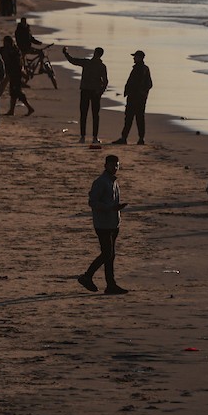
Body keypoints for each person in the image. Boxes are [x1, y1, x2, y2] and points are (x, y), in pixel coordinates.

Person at [77, 154, 128, 295]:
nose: (115, 167)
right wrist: (110, 208)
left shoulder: (114, 182)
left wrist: (115, 210)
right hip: (102, 225)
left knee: (110, 255)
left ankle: (110, 284)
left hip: (113, 224)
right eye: (112, 165)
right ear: (105, 165)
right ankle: (87, 276)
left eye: (117, 165)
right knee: (107, 254)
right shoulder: (101, 182)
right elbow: (92, 202)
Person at [63, 46, 109, 143]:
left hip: (86, 91)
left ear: (94, 53)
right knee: (94, 115)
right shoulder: (101, 66)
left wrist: (65, 53)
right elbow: (105, 81)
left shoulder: (87, 63)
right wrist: (101, 91)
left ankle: (83, 137)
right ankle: (94, 138)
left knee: (84, 114)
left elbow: (73, 60)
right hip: (94, 92)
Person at [113, 50, 152, 145]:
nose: (134, 58)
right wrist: (144, 94)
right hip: (140, 98)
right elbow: (149, 84)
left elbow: (141, 84)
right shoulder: (145, 68)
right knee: (139, 118)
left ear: (140, 58)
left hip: (135, 98)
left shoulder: (139, 69)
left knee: (129, 118)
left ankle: (124, 138)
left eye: (135, 57)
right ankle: (140, 139)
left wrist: (135, 92)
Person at [0, 36, 33, 116]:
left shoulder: (14, 51)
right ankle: (12, 110)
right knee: (14, 93)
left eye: (6, 42)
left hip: (16, 74)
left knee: (17, 92)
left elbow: (18, 65)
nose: (5, 44)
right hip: (12, 73)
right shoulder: (9, 50)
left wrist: (23, 75)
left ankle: (29, 108)